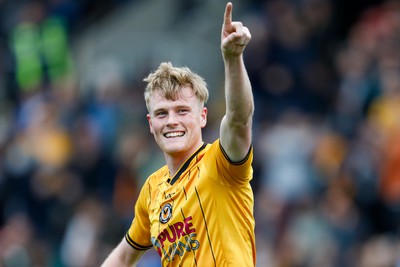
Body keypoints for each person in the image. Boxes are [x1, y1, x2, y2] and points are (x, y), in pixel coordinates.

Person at [102, 2, 255, 266]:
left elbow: (240, 119)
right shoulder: (151, 189)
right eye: (162, 113)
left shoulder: (220, 164)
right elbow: (125, 255)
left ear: (202, 117)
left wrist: (233, 59)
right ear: (151, 124)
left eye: (182, 110)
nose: (172, 121)